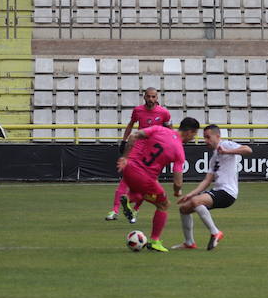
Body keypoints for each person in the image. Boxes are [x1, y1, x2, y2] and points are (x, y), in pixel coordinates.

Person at [117, 117, 200, 252]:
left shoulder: (160, 129)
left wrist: (125, 157)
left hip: (130, 169)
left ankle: (129, 198)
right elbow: (178, 181)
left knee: (142, 194)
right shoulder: (179, 150)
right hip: (145, 177)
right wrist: (177, 191)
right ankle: (154, 241)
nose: (193, 137)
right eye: (194, 134)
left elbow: (133, 136)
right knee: (164, 204)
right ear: (189, 132)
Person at [174, 125, 252, 251]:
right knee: (184, 208)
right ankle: (189, 243)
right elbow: (207, 180)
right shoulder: (214, 157)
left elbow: (248, 150)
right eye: (204, 137)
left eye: (208, 137)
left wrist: (227, 152)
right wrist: (191, 194)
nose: (206, 140)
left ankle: (215, 232)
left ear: (217, 136)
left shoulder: (227, 145)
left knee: (196, 202)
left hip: (228, 193)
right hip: (217, 191)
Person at [106, 87, 172, 223]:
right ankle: (115, 210)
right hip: (138, 147)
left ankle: (134, 210)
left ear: (157, 97)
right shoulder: (138, 110)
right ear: (144, 97)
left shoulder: (164, 113)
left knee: (147, 182)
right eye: (148, 96)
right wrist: (124, 141)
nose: (151, 99)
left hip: (153, 150)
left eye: (153, 97)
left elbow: (170, 131)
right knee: (126, 177)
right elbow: (130, 125)